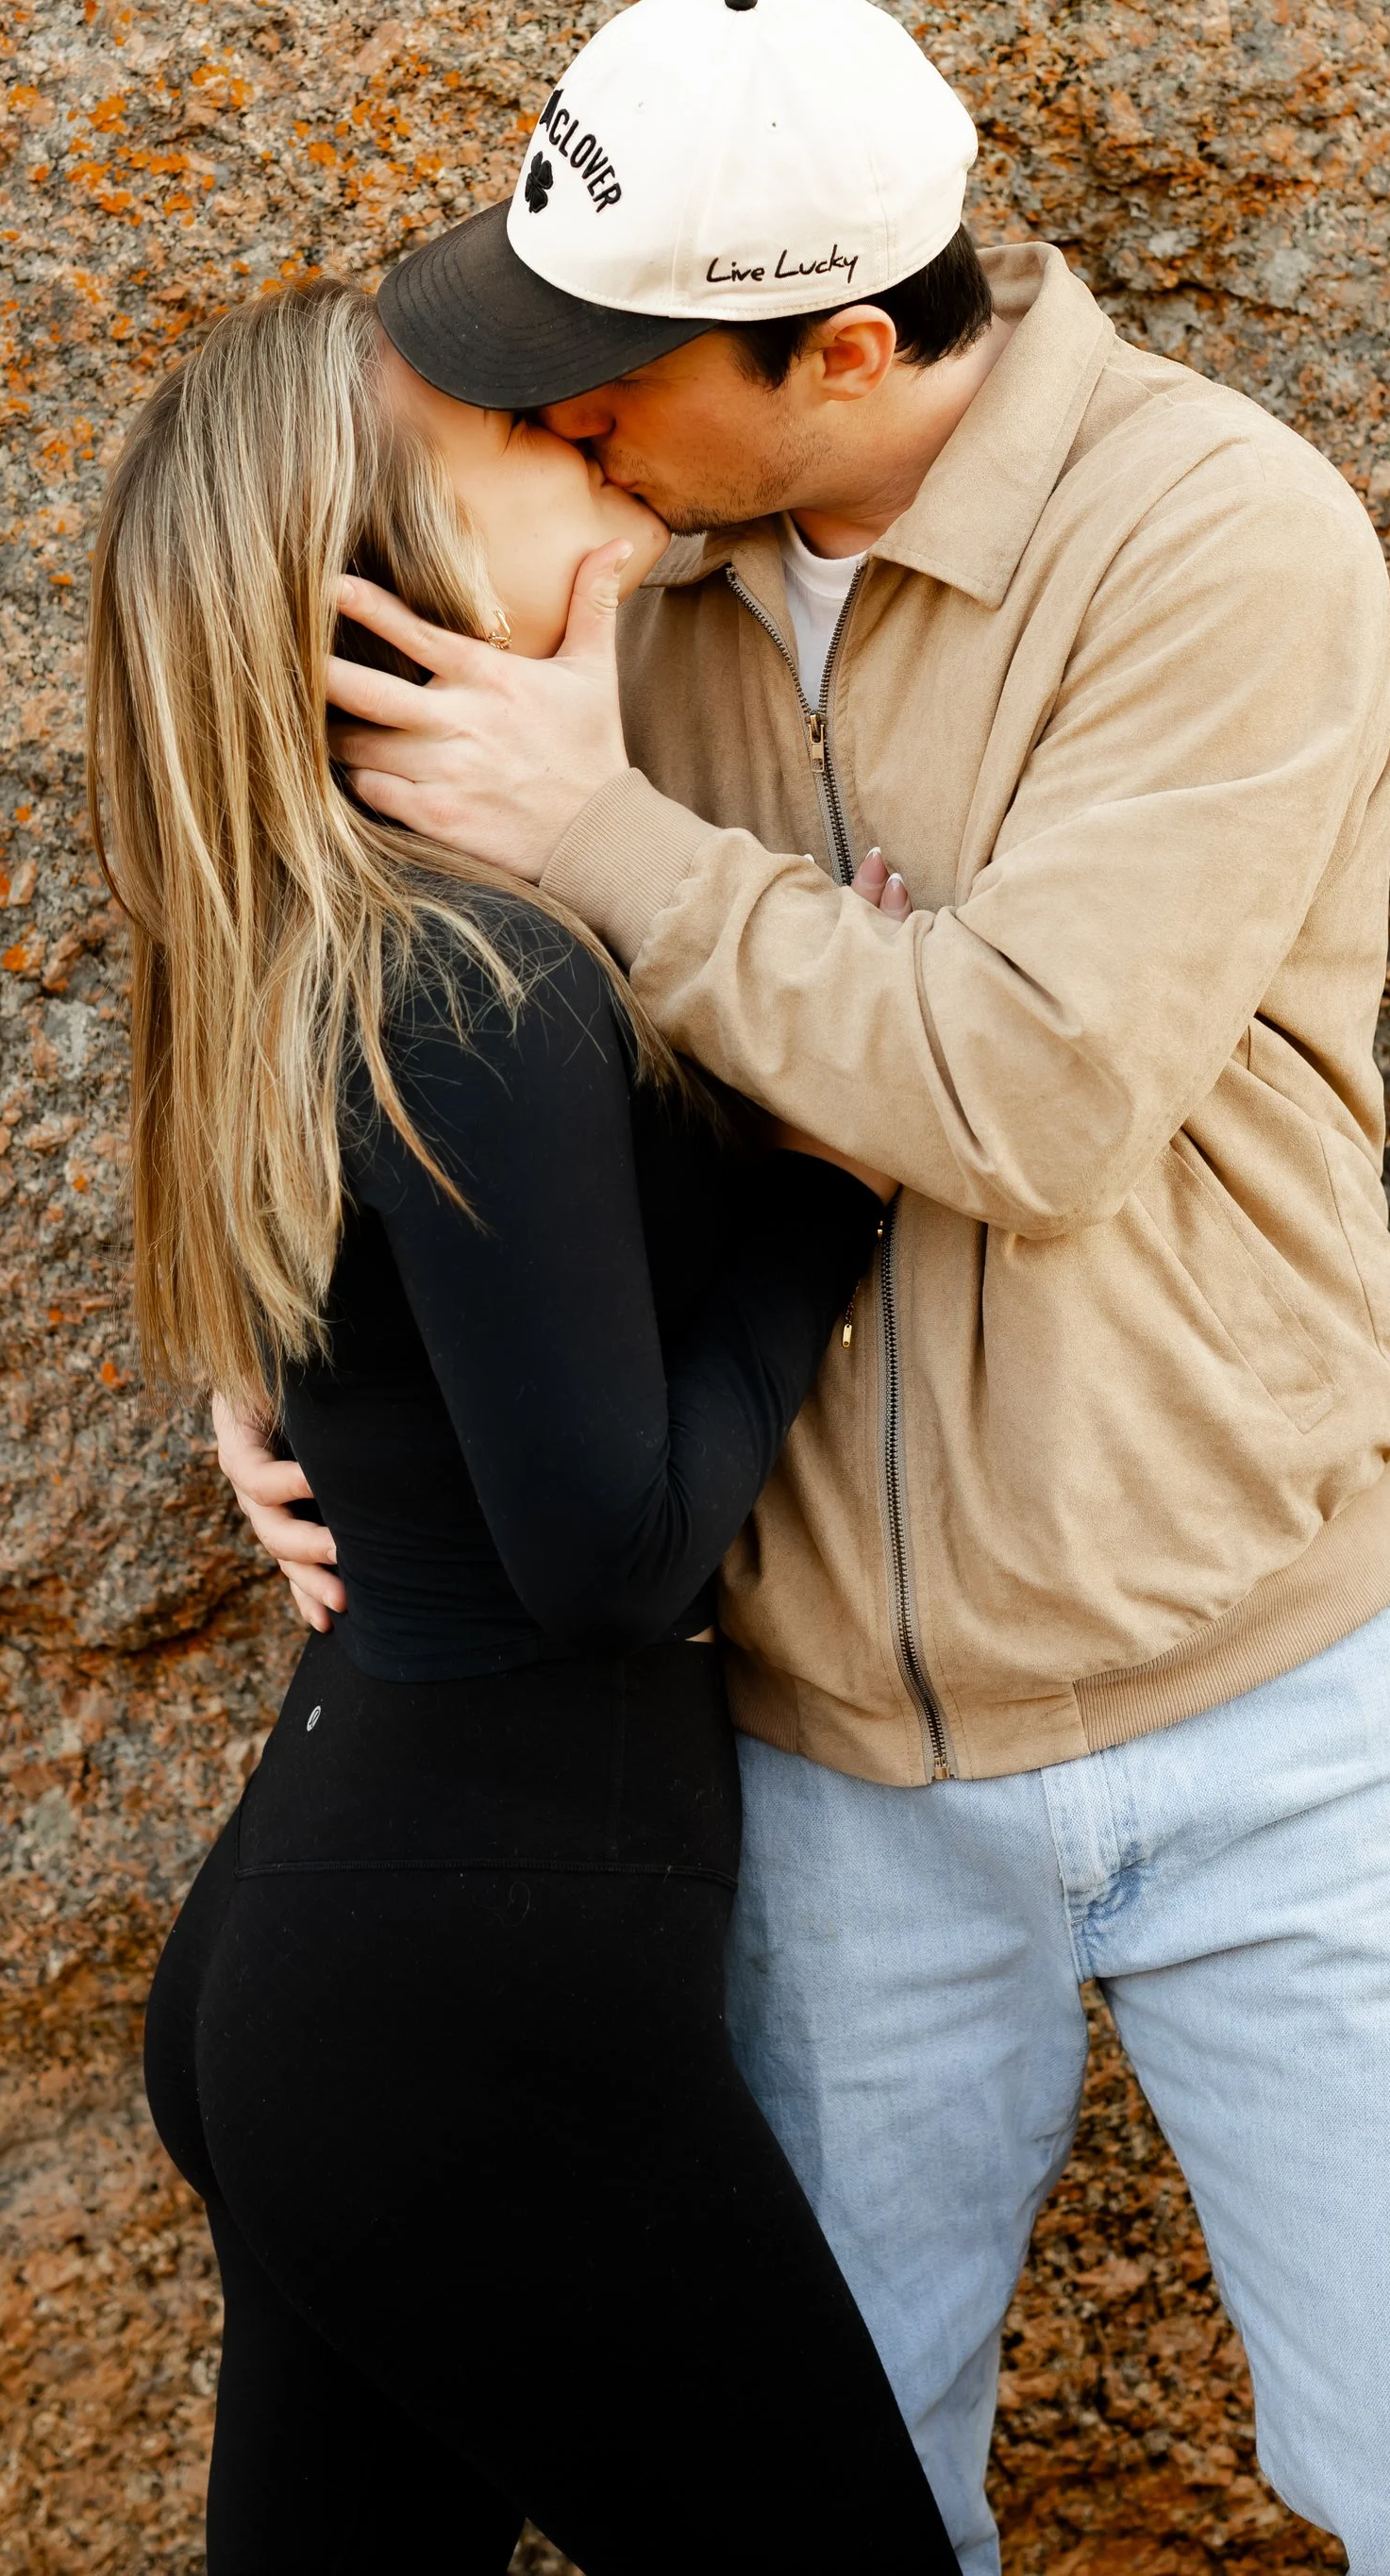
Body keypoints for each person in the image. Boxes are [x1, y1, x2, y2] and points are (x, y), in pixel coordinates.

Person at [225, 0, 1390, 2574]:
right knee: (845, 2508)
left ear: (844, 348)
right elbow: (330, 949)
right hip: (815, 1773)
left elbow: (1033, 1095)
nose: (555, 413)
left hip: (1272, 1710)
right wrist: (290, 1353)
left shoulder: (1214, 536)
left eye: (609, 366)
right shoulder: (612, 573)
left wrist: (607, 834)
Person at [87, 275, 958, 2574]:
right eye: (524, 441)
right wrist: (830, 1188)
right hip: (459, 2004)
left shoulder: (362, 942)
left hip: (354, 1948)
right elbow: (607, 1556)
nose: (585, 435)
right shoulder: (477, 982)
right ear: (384, 582)